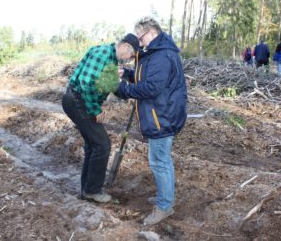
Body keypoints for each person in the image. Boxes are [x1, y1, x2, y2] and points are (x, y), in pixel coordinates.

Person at [116, 17, 187, 226]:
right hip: (161, 114)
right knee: (163, 160)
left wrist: (123, 89)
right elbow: (146, 77)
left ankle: (164, 206)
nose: (139, 42)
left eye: (141, 37)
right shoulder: (155, 53)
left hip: (162, 117)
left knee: (159, 162)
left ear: (153, 32)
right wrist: (128, 74)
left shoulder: (162, 55)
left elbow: (151, 88)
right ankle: (166, 197)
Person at [62, 34, 139, 203]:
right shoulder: (103, 55)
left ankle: (86, 189)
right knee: (102, 144)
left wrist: (131, 94)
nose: (132, 58)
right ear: (125, 46)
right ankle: (92, 190)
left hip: (79, 101)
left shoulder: (110, 59)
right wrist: (95, 109)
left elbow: (109, 86)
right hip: (77, 101)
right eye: (132, 54)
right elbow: (86, 83)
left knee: (93, 145)